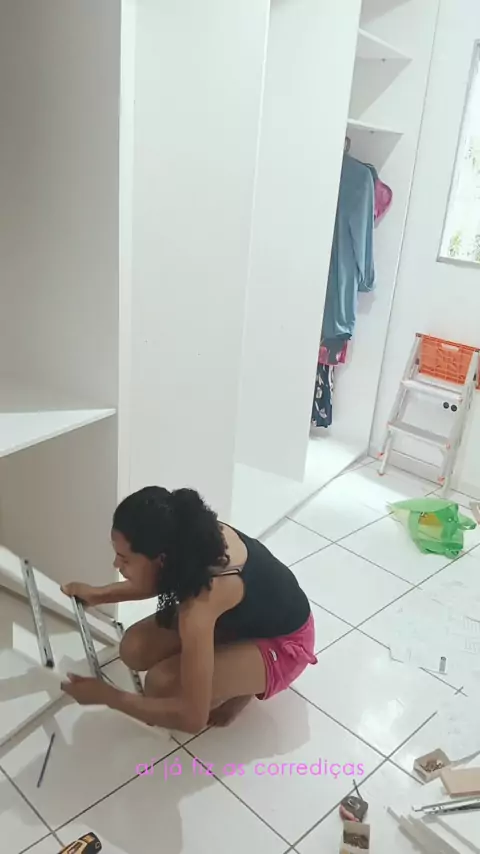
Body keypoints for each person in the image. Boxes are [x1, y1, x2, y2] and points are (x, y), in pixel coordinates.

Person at [61, 486, 317, 733]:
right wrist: (98, 594)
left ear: (161, 559)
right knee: (134, 648)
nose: (116, 565)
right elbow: (157, 579)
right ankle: (228, 661)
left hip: (284, 642)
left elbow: (192, 717)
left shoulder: (199, 608)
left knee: (161, 686)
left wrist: (108, 696)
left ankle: (243, 686)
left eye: (125, 559)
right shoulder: (186, 536)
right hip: (241, 617)